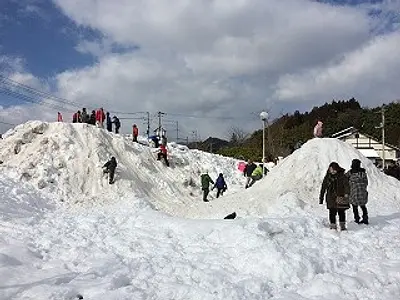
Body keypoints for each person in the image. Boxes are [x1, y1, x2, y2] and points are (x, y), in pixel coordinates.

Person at [320, 162, 350, 230]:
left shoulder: (342, 176)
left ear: (337, 169)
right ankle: (333, 226)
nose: (332, 171)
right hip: (330, 198)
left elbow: (346, 185)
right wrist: (321, 198)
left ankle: (342, 226)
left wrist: (346, 193)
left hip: (340, 196)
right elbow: (323, 187)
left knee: (341, 212)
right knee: (332, 212)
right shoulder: (327, 177)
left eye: (334, 169)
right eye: (331, 169)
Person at [346, 159, 369, 225]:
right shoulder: (363, 173)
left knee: (354, 206)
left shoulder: (351, 172)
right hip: (362, 192)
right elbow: (366, 182)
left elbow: (344, 178)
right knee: (363, 206)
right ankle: (365, 219)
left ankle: (357, 219)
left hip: (354, 192)